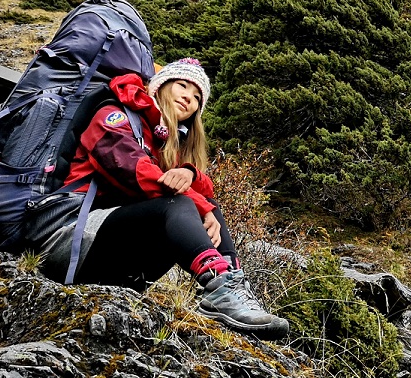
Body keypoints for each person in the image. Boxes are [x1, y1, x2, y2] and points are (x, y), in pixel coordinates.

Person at [34, 58, 289, 339]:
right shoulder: (113, 115)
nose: (188, 98)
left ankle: (231, 286)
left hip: (106, 254)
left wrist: (190, 173)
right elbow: (133, 171)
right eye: (182, 85)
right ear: (160, 86)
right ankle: (218, 283)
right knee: (180, 204)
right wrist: (197, 203)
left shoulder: (163, 140)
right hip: (68, 238)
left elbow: (206, 192)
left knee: (207, 206)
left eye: (196, 97)